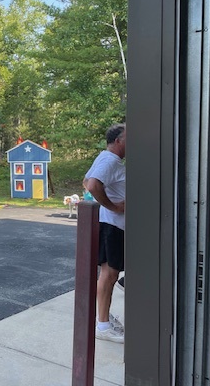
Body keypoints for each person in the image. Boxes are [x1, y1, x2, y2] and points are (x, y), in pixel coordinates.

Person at [83, 123, 126, 343]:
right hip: (113, 226)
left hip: (113, 226)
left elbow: (86, 181)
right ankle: (103, 326)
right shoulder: (110, 160)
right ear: (118, 141)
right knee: (109, 275)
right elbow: (92, 185)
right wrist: (113, 206)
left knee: (110, 275)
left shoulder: (106, 158)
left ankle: (104, 319)